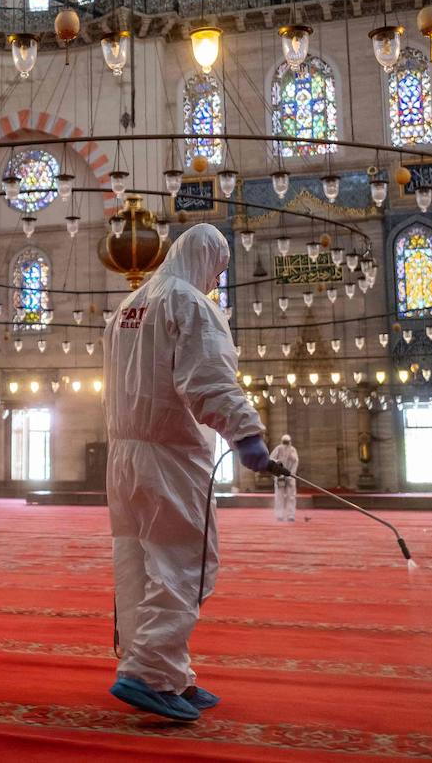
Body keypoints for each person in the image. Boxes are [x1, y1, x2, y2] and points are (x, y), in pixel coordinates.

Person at [103, 223, 291, 723]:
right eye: (217, 271)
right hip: (169, 455)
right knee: (186, 563)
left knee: (138, 565)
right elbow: (207, 378)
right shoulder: (188, 302)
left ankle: (166, 673)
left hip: (123, 458)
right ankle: (148, 670)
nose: (214, 282)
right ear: (206, 260)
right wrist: (246, 433)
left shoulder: (128, 306)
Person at [271, 435, 300, 522]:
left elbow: (295, 462)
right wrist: (278, 468)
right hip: (280, 476)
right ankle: (279, 515)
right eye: (284, 442)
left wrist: (291, 474)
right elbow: (271, 460)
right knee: (279, 496)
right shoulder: (278, 449)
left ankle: (291, 515)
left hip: (290, 476)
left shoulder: (292, 450)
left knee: (291, 496)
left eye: (287, 442)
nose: (285, 445)